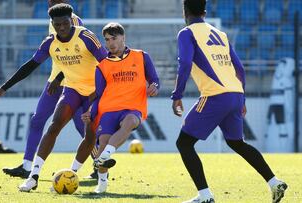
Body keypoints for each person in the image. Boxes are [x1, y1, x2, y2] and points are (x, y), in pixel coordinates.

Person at [171, 1, 287, 203]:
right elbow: (239, 69)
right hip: (234, 93)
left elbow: (186, 63)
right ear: (205, 12)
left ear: (185, 12)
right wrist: (242, 98)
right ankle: (274, 182)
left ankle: (205, 196)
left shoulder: (186, 33)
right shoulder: (220, 34)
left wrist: (177, 94)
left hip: (214, 96)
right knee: (236, 142)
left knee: (184, 143)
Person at [0, 0, 97, 179]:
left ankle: (99, 165)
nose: (51, 3)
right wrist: (4, 88)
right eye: (50, 0)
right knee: (37, 119)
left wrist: (60, 78)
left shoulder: (73, 22)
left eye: (56, 1)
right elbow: (41, 59)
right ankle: (26, 166)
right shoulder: (53, 20)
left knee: (82, 126)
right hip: (54, 81)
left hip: (73, 83)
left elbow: (76, 56)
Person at [17, 3, 107, 192]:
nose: (62, 28)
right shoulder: (50, 41)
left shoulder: (85, 36)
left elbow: (107, 65)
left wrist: (99, 93)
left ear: (71, 20)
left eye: (65, 23)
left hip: (93, 91)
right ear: (53, 23)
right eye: (57, 25)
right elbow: (31, 65)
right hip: (72, 88)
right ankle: (33, 176)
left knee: (89, 134)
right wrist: (3, 88)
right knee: (54, 125)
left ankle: (85, 174)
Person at [81, 22, 159, 193]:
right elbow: (99, 95)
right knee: (102, 143)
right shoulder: (101, 66)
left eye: (114, 38)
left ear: (123, 37)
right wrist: (90, 112)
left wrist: (154, 86)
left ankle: (105, 156)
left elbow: (154, 79)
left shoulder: (141, 56)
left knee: (130, 121)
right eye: (107, 40)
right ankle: (102, 184)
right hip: (108, 110)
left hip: (133, 108)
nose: (110, 43)